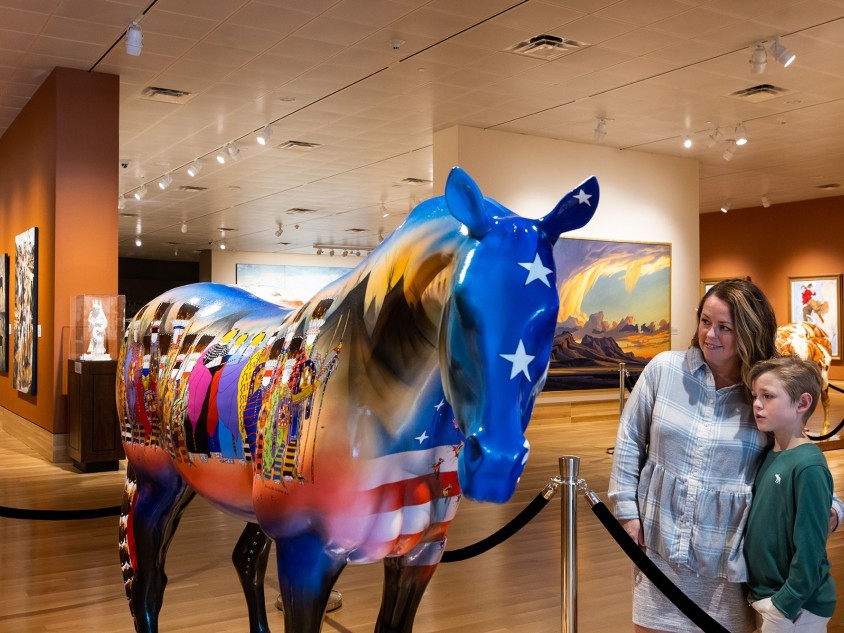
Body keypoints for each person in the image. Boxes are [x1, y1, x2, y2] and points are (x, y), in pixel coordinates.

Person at [608, 278, 843, 633]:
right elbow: (628, 441)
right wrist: (627, 512)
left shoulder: (766, 395)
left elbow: (800, 460)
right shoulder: (663, 370)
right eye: (705, 321)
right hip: (659, 554)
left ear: (749, 332)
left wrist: (833, 511)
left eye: (724, 327)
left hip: (727, 571)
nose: (709, 335)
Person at [745, 356, 835, 632]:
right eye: (755, 396)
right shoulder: (771, 454)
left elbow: (810, 546)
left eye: (768, 396)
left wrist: (785, 603)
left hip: (797, 607)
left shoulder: (808, 465)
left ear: (802, 403)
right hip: (770, 598)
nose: (757, 404)